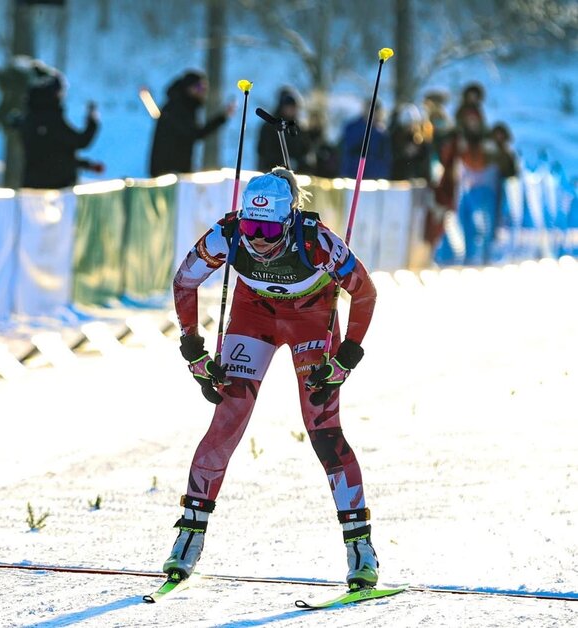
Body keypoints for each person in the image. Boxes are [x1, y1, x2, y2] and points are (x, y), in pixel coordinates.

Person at [164, 167, 379, 591]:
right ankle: (188, 536)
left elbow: (365, 291)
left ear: (289, 219)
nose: (258, 240)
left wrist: (346, 358)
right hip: (253, 316)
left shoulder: (317, 241)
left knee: (323, 429)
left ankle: (360, 547)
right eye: (251, 227)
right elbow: (184, 281)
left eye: (268, 229)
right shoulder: (227, 234)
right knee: (226, 421)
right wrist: (194, 351)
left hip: (311, 318)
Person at [19, 64, 102, 189]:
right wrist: (92, 122)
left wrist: (87, 165)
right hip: (56, 189)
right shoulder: (51, 118)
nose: (62, 95)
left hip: (31, 185)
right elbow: (80, 142)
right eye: (60, 91)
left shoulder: (31, 117)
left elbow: (52, 153)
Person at [148, 70, 234, 177]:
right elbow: (194, 133)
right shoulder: (177, 107)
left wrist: (222, 117)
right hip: (168, 171)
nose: (202, 91)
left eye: (204, 88)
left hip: (175, 170)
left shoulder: (185, 106)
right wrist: (221, 118)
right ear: (188, 87)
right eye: (199, 87)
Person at [257, 87, 310, 173]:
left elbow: (305, 151)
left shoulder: (298, 128)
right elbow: (265, 152)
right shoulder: (270, 127)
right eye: (288, 107)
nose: (291, 110)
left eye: (293, 107)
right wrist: (284, 163)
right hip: (272, 173)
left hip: (296, 174)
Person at [339, 99, 391, 180]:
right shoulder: (352, 127)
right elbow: (347, 149)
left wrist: (382, 175)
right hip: (353, 175)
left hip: (375, 177)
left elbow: (386, 157)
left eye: (375, 110)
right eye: (369, 109)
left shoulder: (382, 132)